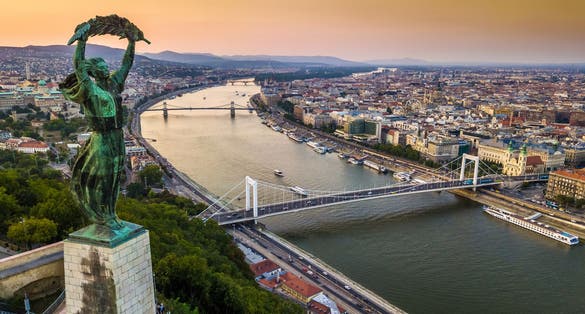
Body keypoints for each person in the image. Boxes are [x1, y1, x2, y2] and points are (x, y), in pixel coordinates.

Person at [60, 24, 137, 230]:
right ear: (94, 72)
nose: (105, 68)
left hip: (117, 135)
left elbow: (126, 65)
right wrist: (82, 42)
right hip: (101, 137)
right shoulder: (88, 88)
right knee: (103, 176)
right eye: (101, 66)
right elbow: (78, 65)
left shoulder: (114, 84)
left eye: (106, 66)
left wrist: (131, 42)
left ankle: (111, 213)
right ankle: (100, 213)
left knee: (115, 176)